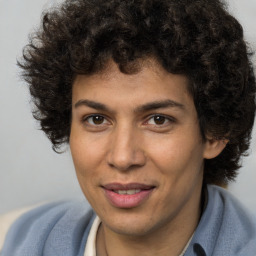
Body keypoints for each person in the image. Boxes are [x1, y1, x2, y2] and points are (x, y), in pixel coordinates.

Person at [1, 0, 256, 255]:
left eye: (158, 120)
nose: (123, 158)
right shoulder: (21, 240)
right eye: (96, 119)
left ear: (215, 132)